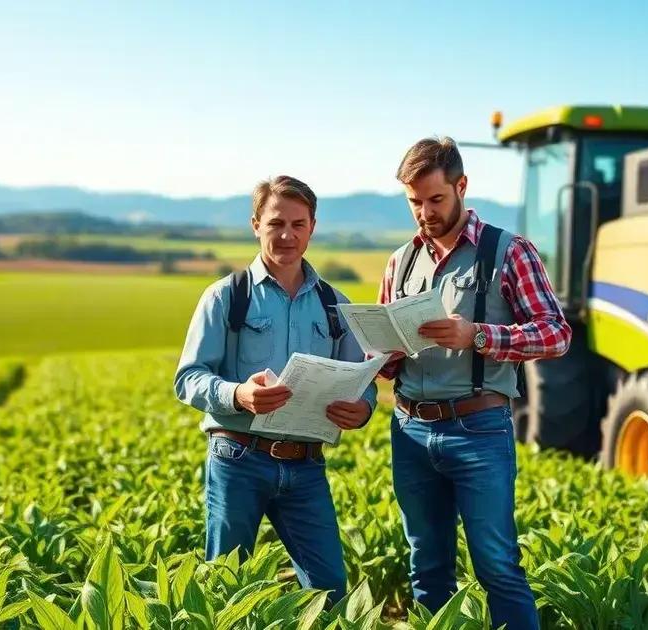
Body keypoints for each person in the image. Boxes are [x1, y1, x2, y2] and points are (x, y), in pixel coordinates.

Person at [377, 137, 571, 630]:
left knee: (496, 565)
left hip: (479, 428)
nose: (424, 212)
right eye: (414, 202)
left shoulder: (510, 251)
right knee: (427, 564)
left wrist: (478, 335)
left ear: (461, 186)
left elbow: (556, 333)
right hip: (410, 430)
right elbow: (381, 352)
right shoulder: (400, 262)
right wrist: (382, 357)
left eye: (435, 199)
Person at [174, 175, 376, 605]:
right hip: (238, 459)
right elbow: (187, 378)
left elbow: (362, 379)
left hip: (306, 466)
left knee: (329, 590)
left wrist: (363, 409)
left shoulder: (335, 303)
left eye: (298, 224)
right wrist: (237, 395)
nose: (287, 235)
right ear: (255, 225)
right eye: (276, 223)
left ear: (312, 227)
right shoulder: (227, 296)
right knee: (226, 590)